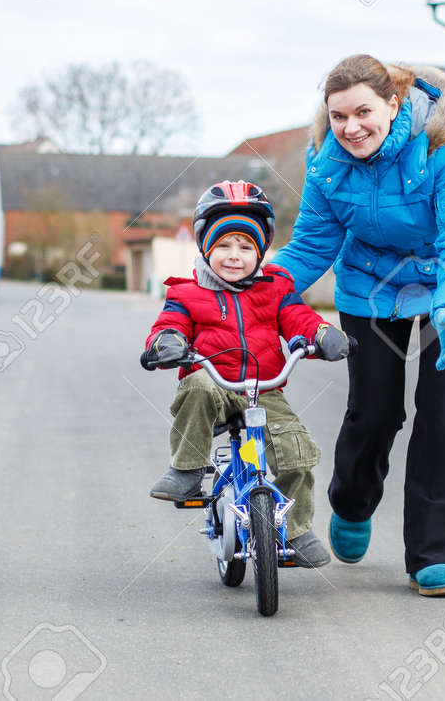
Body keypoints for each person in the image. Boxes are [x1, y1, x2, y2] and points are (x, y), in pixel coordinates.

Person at [270, 54, 445, 596]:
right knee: (374, 411)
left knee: (443, 410)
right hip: (372, 285)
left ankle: (432, 555)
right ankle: (351, 503)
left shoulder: (444, 150)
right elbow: (310, 245)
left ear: (393, 105)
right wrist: (258, 290)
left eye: (362, 112)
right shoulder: (327, 162)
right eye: (338, 116)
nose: (350, 128)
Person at [141, 180, 353, 569]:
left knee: (297, 455)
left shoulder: (276, 288)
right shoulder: (187, 294)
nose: (234, 256)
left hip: (264, 390)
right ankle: (186, 469)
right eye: (223, 245)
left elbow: (298, 319)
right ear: (205, 247)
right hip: (215, 388)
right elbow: (168, 324)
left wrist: (322, 335)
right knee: (199, 385)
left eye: (245, 247)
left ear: (261, 252)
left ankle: (296, 529)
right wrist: (166, 343)